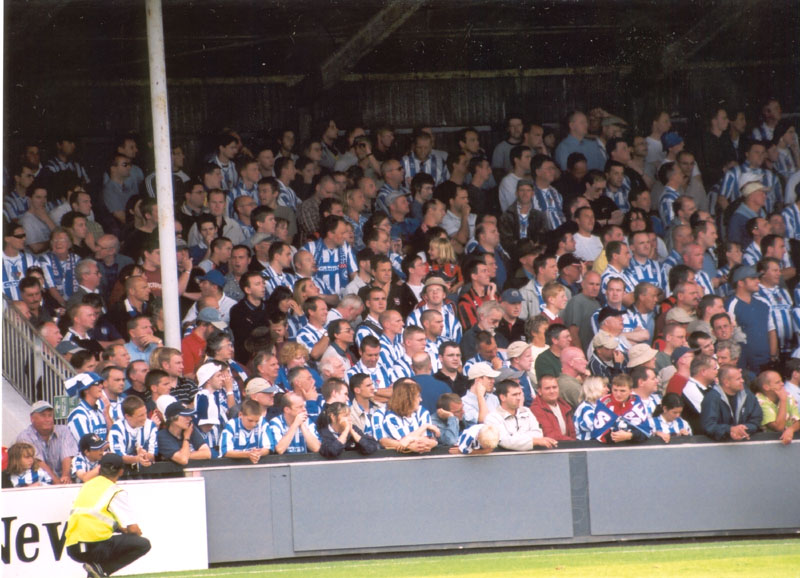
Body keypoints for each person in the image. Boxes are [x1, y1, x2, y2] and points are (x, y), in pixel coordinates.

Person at [65, 453, 151, 578]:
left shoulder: (87, 485)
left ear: (99, 468)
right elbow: (133, 529)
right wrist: (133, 534)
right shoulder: (115, 491)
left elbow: (92, 516)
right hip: (93, 546)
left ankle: (96, 572)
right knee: (142, 544)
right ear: (121, 472)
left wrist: (118, 528)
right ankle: (103, 569)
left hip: (73, 547)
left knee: (115, 540)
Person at [16, 400, 77, 484]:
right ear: (32, 419)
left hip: (64, 481)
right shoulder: (25, 437)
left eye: (50, 415)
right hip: (39, 483)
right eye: (43, 416)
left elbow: (67, 455)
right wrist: (56, 483)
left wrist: (65, 476)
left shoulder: (64, 430)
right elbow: (38, 462)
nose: (48, 419)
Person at [485, 379, 558, 450]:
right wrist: (533, 441)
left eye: (519, 394)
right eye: (514, 395)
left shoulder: (527, 411)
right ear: (502, 397)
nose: (519, 398)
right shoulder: (492, 418)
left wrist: (515, 437)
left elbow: (538, 433)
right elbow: (505, 441)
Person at [700, 365, 763, 441]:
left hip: (746, 445)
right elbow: (709, 426)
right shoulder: (712, 398)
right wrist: (730, 430)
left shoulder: (748, 395)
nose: (742, 381)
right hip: (719, 448)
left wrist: (743, 428)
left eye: (741, 377)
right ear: (726, 382)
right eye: (738, 379)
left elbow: (756, 420)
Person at [753, 370, 800, 445]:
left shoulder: (787, 396)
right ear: (766, 387)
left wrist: (791, 429)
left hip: (790, 442)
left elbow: (798, 421)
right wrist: (783, 401)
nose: (782, 384)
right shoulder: (759, 401)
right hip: (767, 444)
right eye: (777, 382)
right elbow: (779, 427)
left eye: (781, 381)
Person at [530, 375, 576, 441]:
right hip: (550, 449)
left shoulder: (564, 406)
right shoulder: (536, 409)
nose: (552, 391)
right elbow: (550, 435)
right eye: (547, 388)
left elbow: (572, 433)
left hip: (568, 446)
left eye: (554, 387)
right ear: (539, 391)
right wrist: (572, 442)